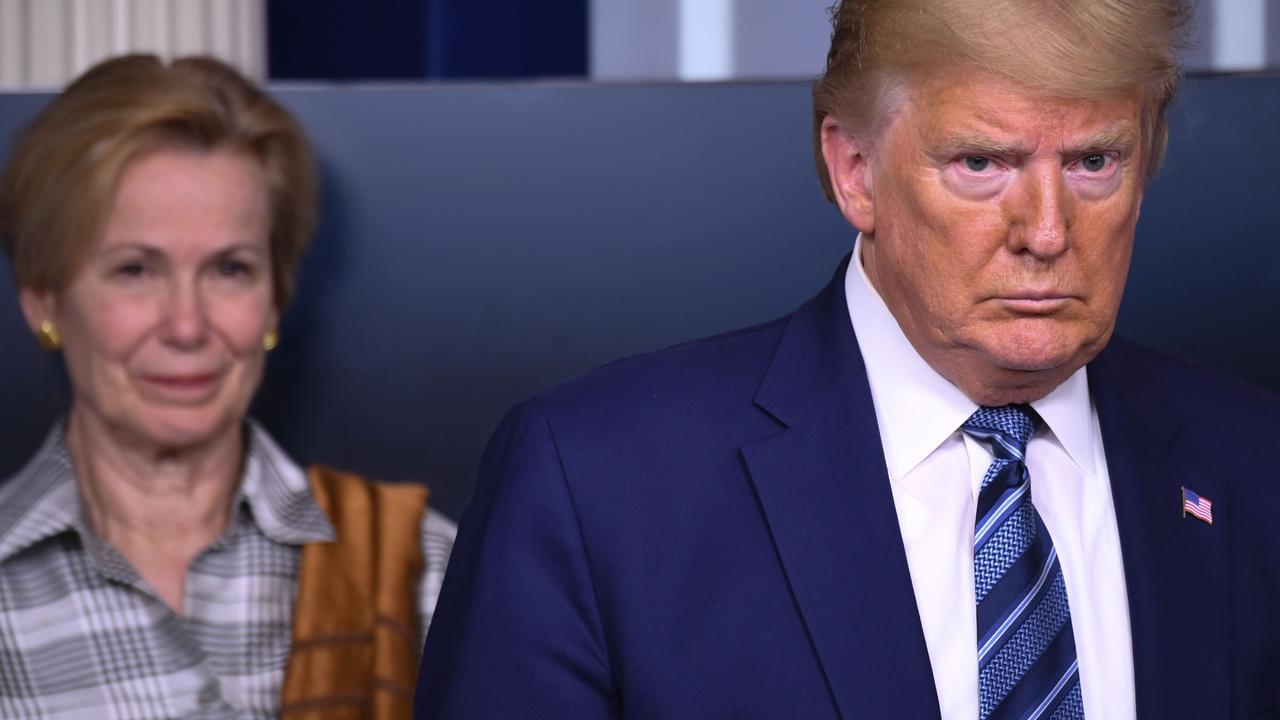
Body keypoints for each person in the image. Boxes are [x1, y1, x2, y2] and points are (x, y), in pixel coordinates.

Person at [414, 0, 1280, 718]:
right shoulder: (597, 483)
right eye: (981, 162)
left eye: (1095, 161)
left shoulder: (1254, 461)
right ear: (855, 171)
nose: (1047, 232)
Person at [0, 55, 455, 719]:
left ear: (275, 300)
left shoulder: (423, 570)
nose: (187, 325)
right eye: (134, 270)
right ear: (43, 301)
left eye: (230, 270)